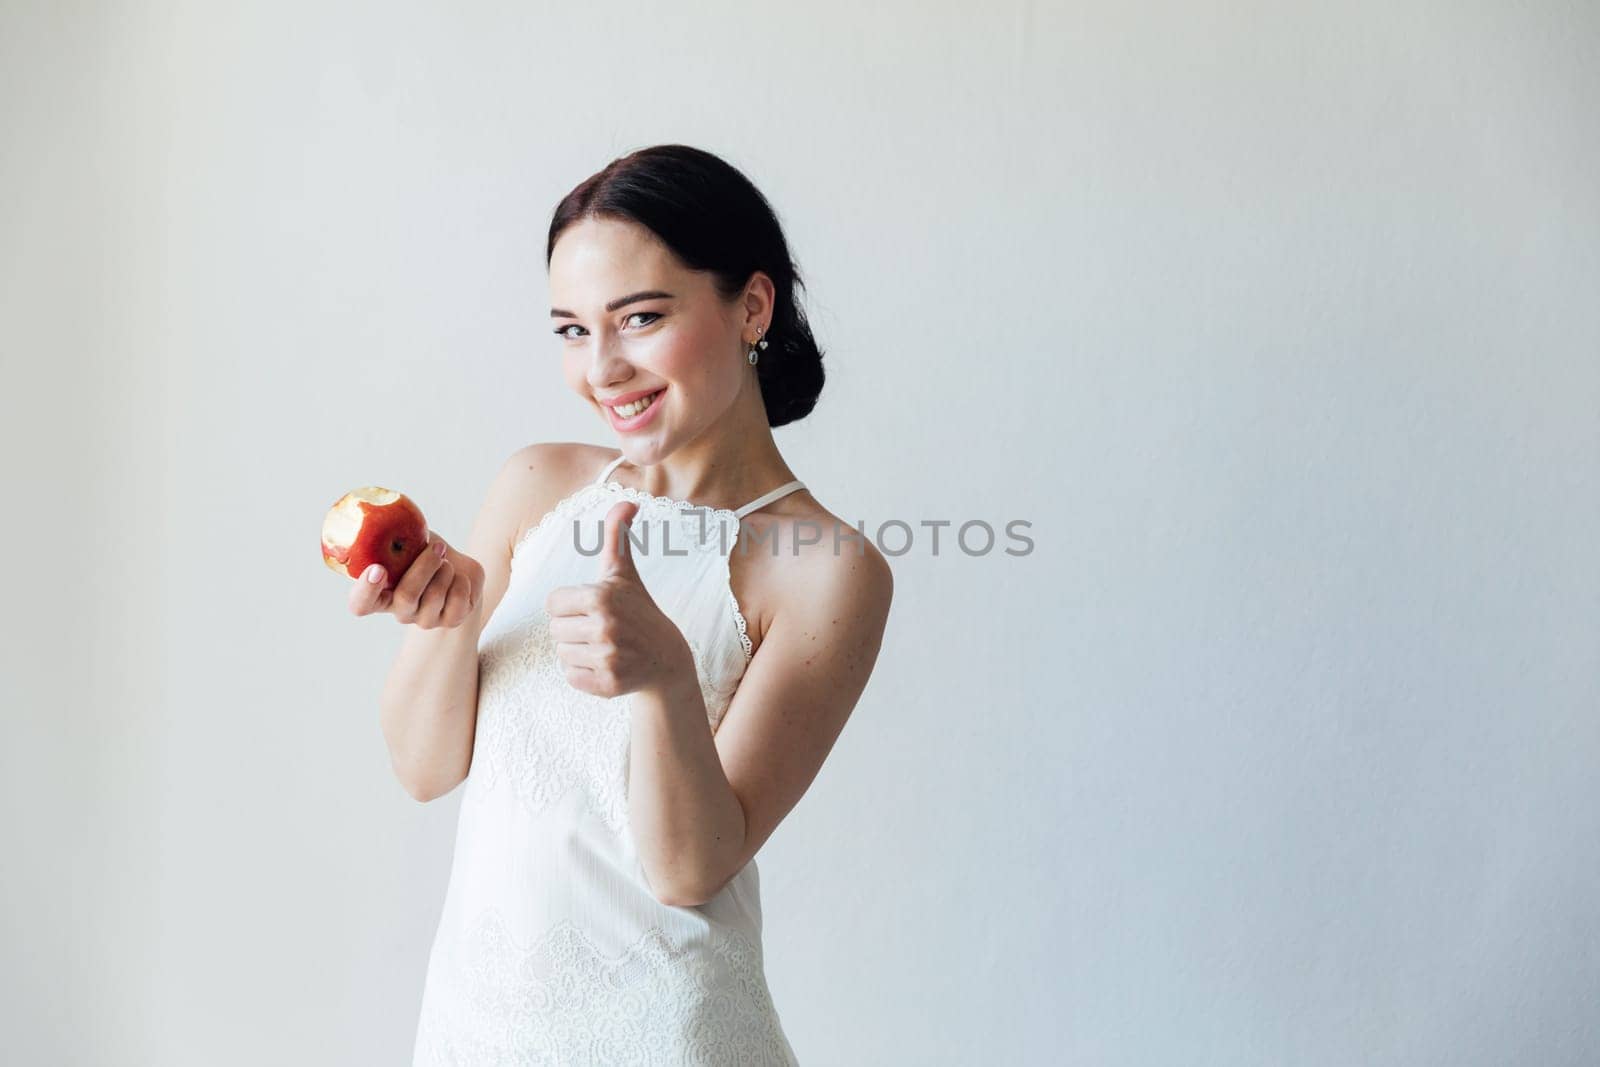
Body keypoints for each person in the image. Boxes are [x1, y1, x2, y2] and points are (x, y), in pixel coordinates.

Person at [352, 144, 894, 1064]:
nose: (602, 368)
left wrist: (667, 676)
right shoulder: (537, 484)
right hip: (474, 1028)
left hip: (667, 1035)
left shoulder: (825, 568)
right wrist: (448, 626)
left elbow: (692, 865)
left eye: (639, 318)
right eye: (571, 329)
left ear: (751, 306)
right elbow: (422, 766)